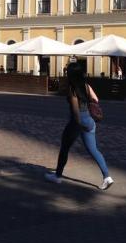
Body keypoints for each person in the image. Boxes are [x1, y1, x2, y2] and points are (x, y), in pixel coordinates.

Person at [45, 62, 114, 190]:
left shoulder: (72, 89)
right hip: (90, 121)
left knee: (64, 147)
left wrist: (75, 126)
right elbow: (96, 99)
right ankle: (107, 177)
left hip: (78, 122)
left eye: (67, 72)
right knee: (93, 150)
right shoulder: (86, 86)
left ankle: (58, 176)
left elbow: (76, 112)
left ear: (71, 74)